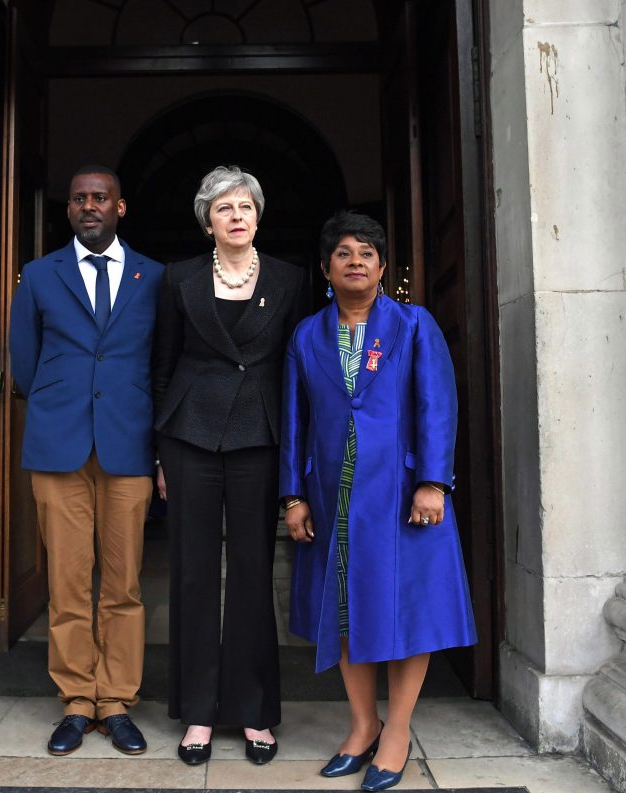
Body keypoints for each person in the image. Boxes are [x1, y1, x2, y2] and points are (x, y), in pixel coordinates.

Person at [280, 211, 477, 791]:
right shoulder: (307, 335)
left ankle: (398, 730)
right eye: (344, 253)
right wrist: (293, 495)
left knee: (406, 609)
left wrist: (434, 483)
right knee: (344, 607)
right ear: (325, 269)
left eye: (367, 252)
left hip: (403, 495)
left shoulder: (414, 325)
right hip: (333, 494)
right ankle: (364, 724)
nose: (356, 261)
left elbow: (437, 406)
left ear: (384, 268)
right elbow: (295, 421)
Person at [153, 165, 309, 766]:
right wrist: (159, 451)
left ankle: (253, 712)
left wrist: (297, 458)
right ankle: (196, 711)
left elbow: (296, 373)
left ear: (258, 216)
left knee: (251, 572)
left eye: (245, 206)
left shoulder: (291, 280)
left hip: (259, 439)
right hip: (189, 436)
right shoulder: (178, 279)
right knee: (191, 573)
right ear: (207, 220)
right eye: (224, 208)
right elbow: (161, 365)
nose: (236, 216)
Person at [9, 165, 163, 757]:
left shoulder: (155, 276)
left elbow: (159, 358)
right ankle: (77, 699)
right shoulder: (40, 274)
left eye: (100, 197)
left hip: (128, 443)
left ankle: (117, 699)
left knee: (122, 583)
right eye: (79, 199)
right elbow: (25, 360)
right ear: (67, 209)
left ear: (120, 208)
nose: (89, 206)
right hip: (58, 445)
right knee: (67, 580)